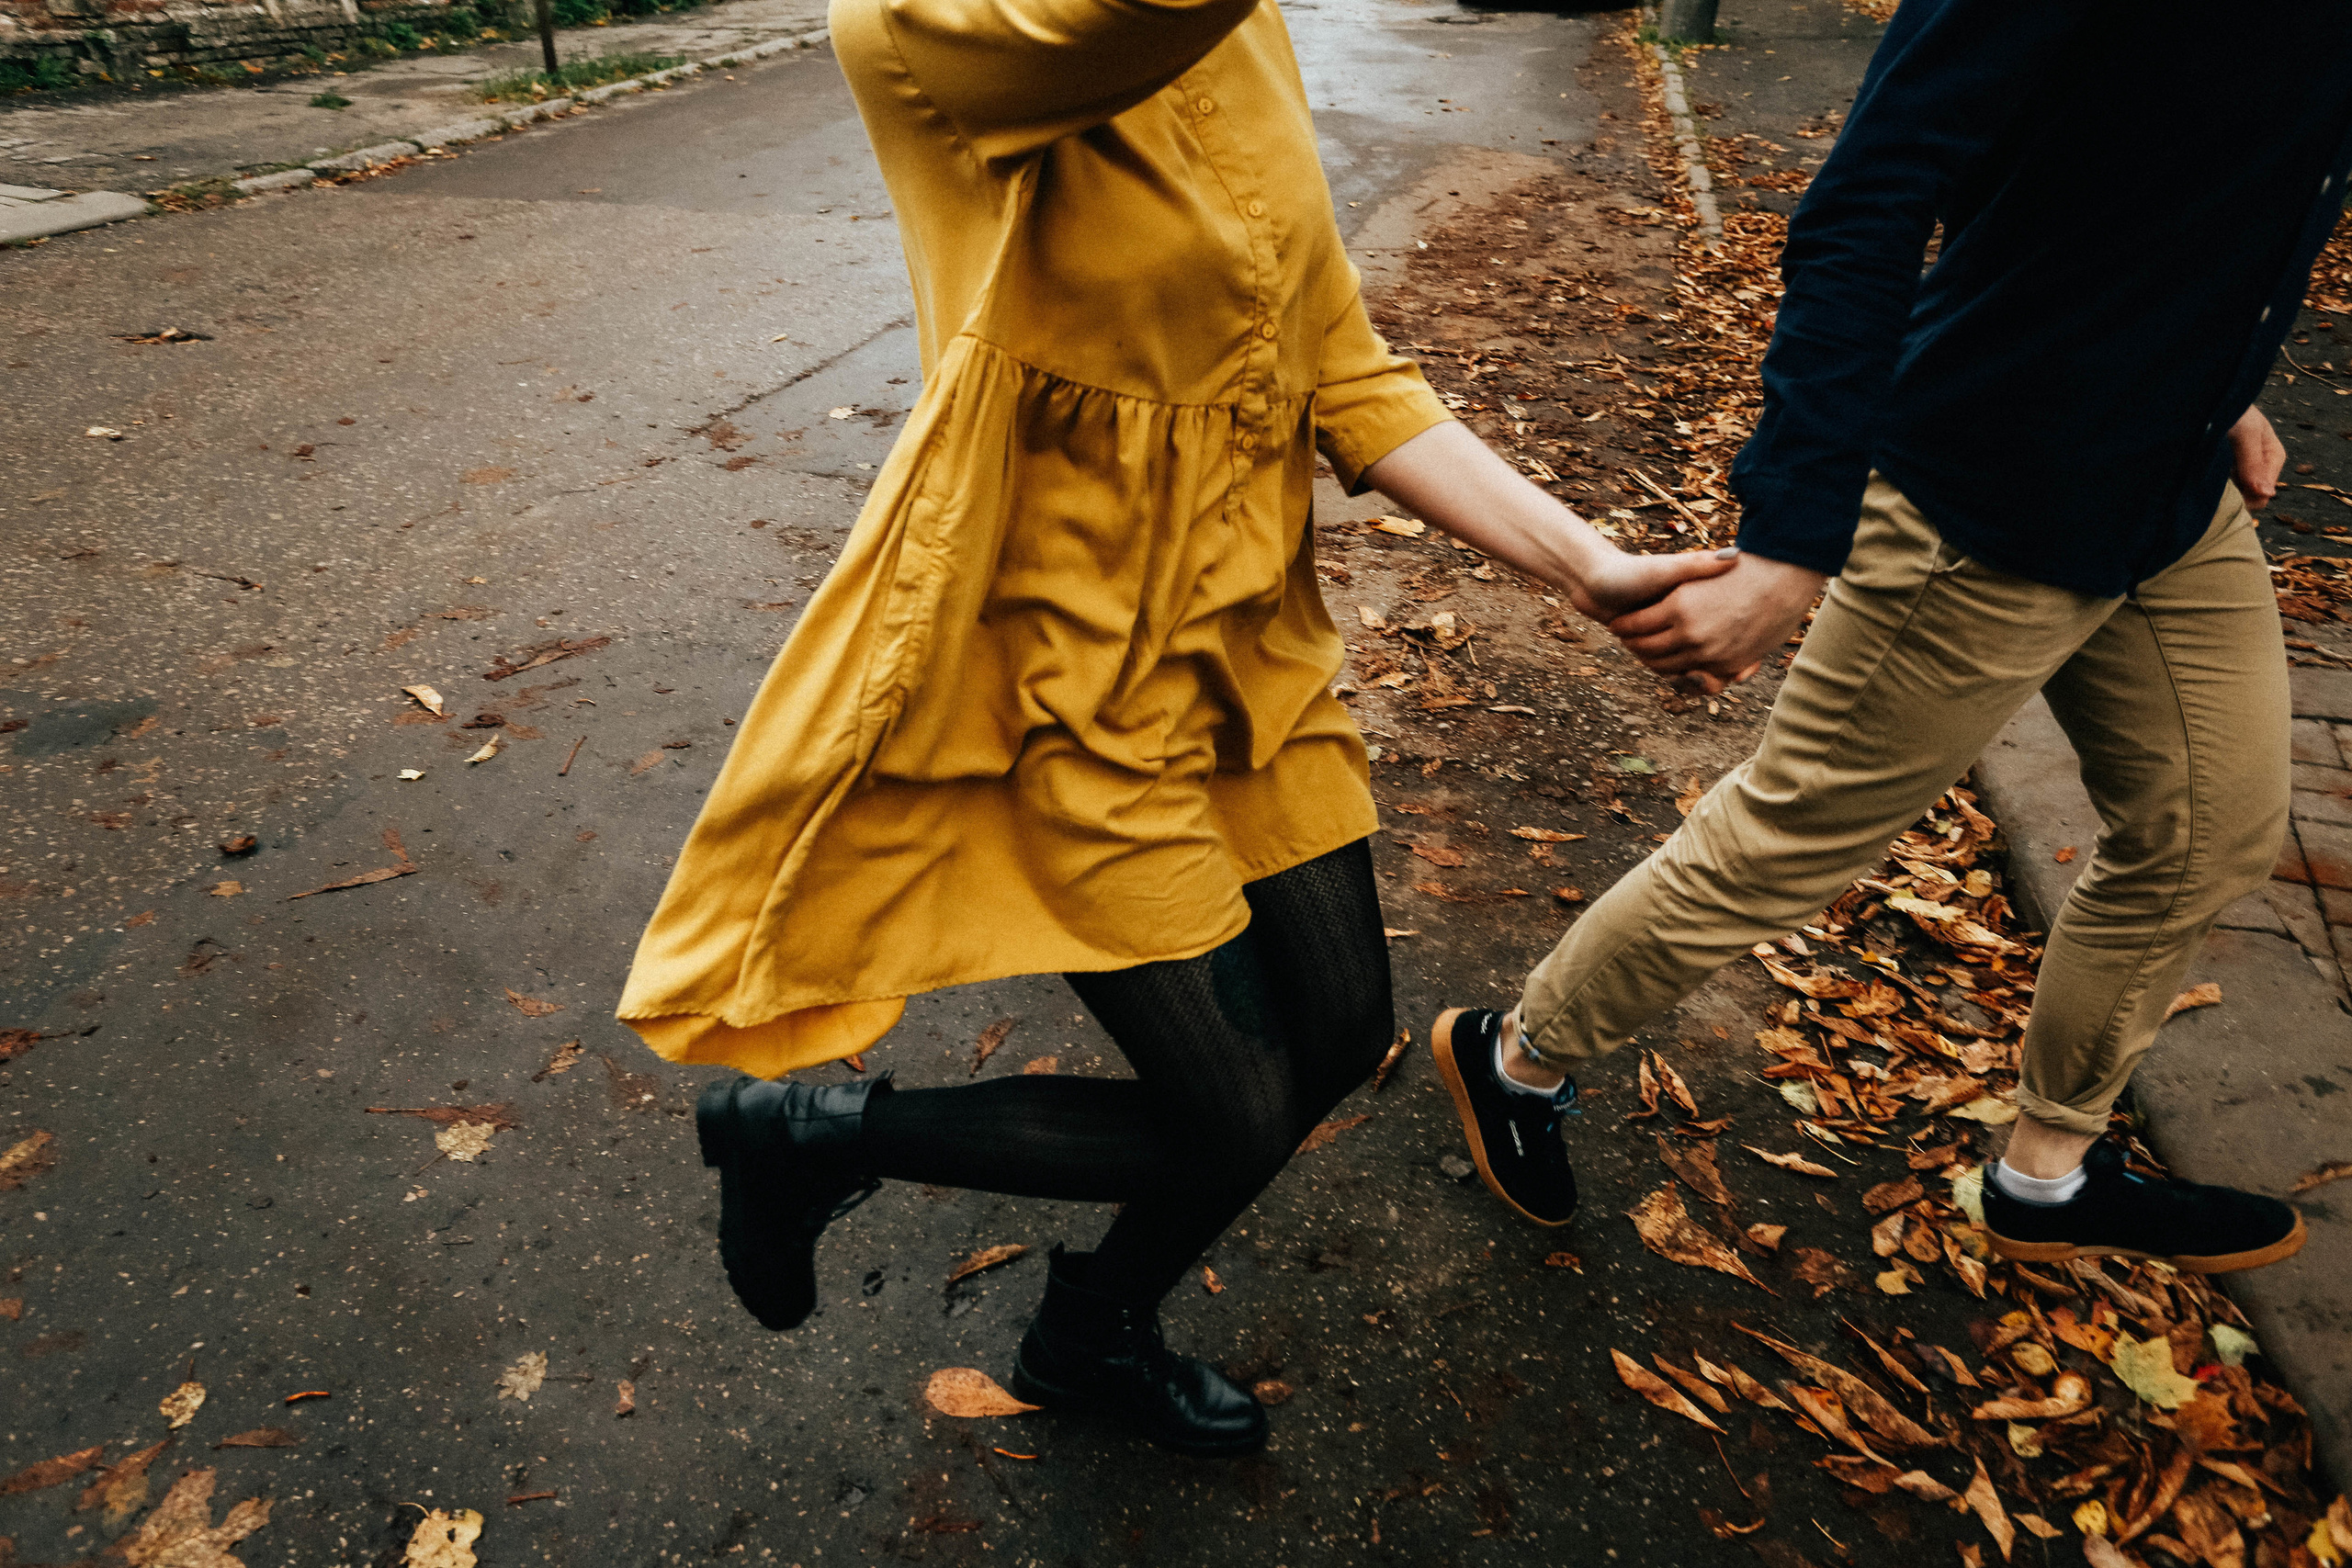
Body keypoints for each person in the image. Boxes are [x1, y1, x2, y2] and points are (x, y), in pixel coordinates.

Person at [616, 0, 1735, 1455]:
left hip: (1243, 644)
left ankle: (1089, 1335)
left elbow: (1337, 361)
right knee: (1229, 1114)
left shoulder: (1240, 32)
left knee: (1341, 1035)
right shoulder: (929, 26)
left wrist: (1586, 566)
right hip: (1059, 672)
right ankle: (809, 1139)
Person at [1432, 0, 2352, 1273]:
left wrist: (2208, 372)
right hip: (1989, 489)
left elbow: (2173, 171)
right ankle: (1517, 1058)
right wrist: (1795, 534)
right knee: (1792, 836)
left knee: (2213, 830)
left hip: (2173, 485)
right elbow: (1871, 203)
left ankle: (2047, 1176)